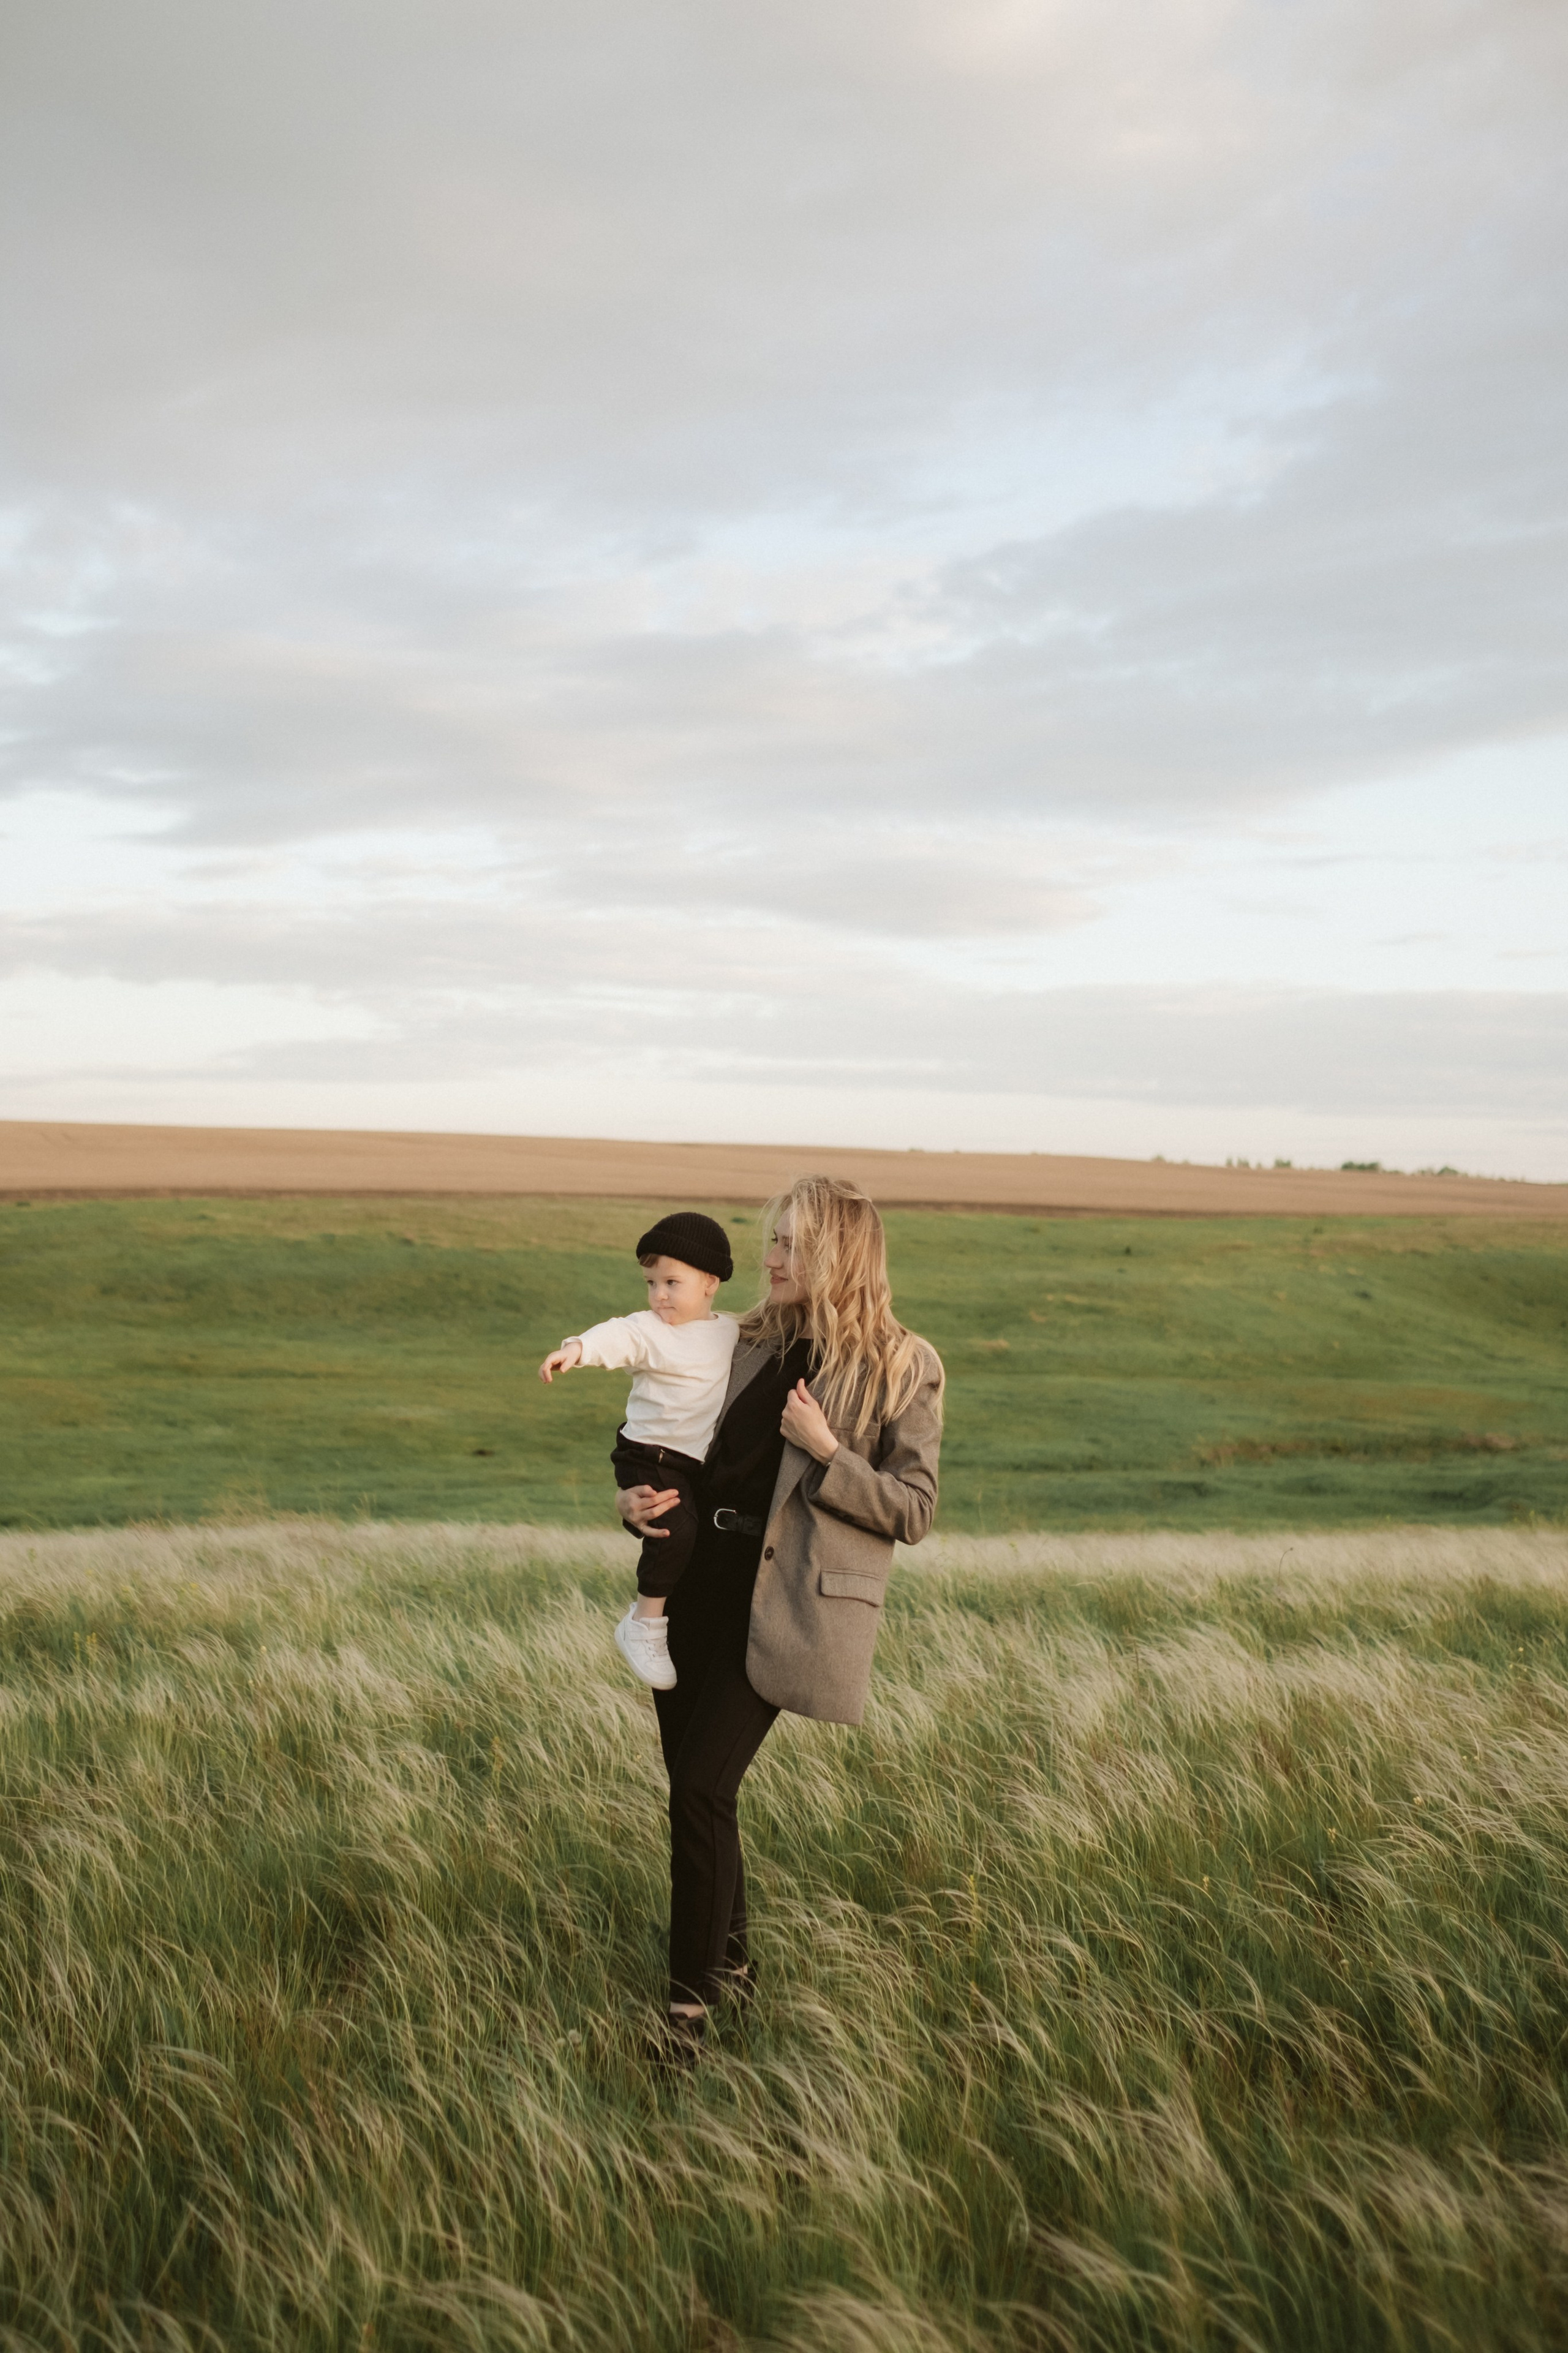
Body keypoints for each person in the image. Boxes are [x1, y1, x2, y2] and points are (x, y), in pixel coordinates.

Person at [617, 1173, 944, 2065]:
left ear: (839, 1256)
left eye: (792, 1244)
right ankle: (736, 1968)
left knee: (702, 1789)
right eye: (774, 1240)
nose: (770, 1258)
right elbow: (668, 1430)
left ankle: (686, 2019)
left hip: (786, 1602)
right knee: (697, 1787)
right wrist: (634, 1498)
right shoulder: (744, 1340)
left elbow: (913, 1509)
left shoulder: (903, 1364)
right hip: (699, 1588)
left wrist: (830, 1452)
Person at [538, 1210, 738, 1691]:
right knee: (675, 1528)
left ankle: (663, 1619)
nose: (659, 1296)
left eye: (672, 1281)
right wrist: (576, 1350)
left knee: (692, 1527)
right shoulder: (649, 1329)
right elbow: (616, 1335)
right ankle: (643, 1623)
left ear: (710, 1281)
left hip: (689, 1462)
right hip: (647, 1453)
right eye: (651, 1283)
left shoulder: (730, 1330)